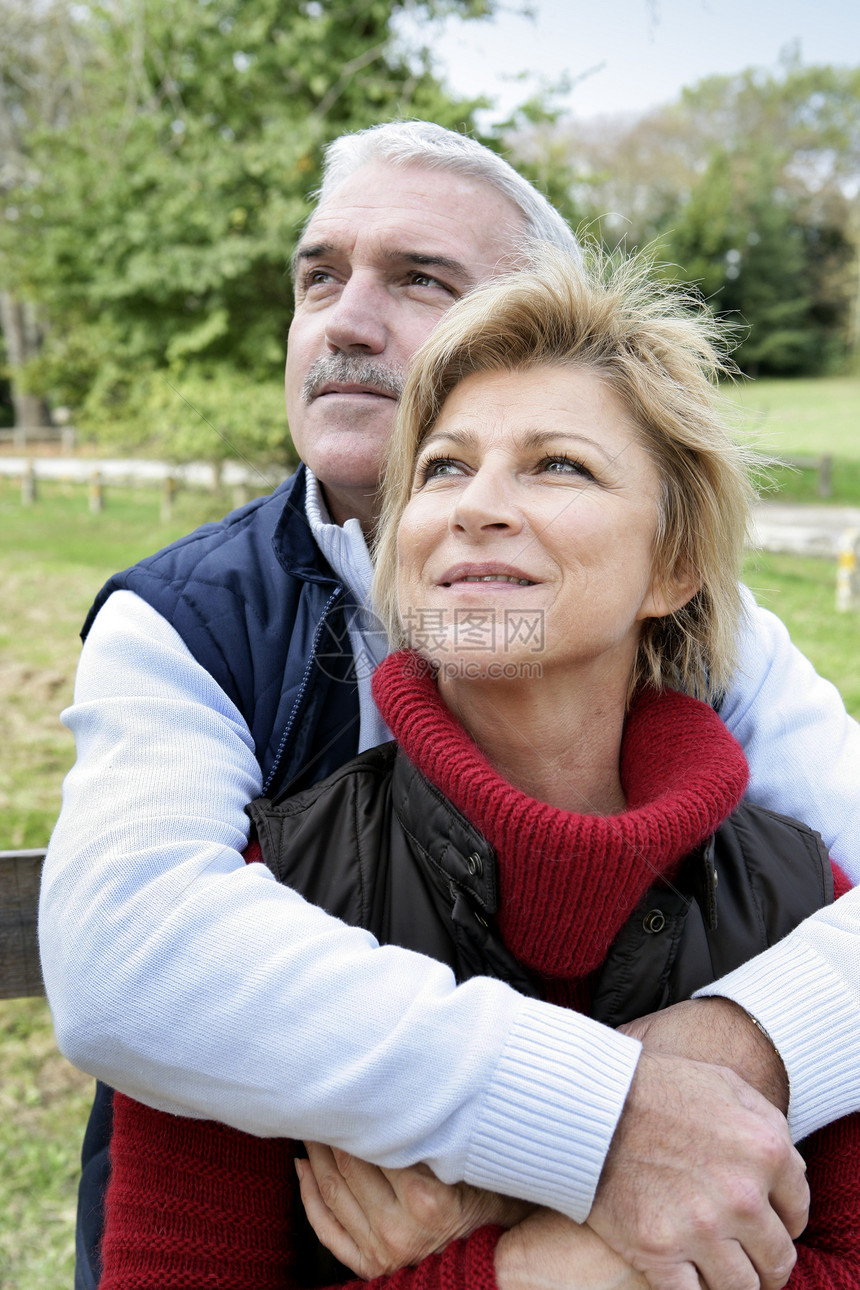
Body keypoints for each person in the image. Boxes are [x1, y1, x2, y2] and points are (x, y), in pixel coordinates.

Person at [38, 122, 860, 1290]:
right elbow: (129, 955)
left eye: (418, 279)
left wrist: (701, 1067)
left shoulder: (717, 651)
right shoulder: (189, 621)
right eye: (317, 276)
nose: (345, 321)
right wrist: (599, 1124)